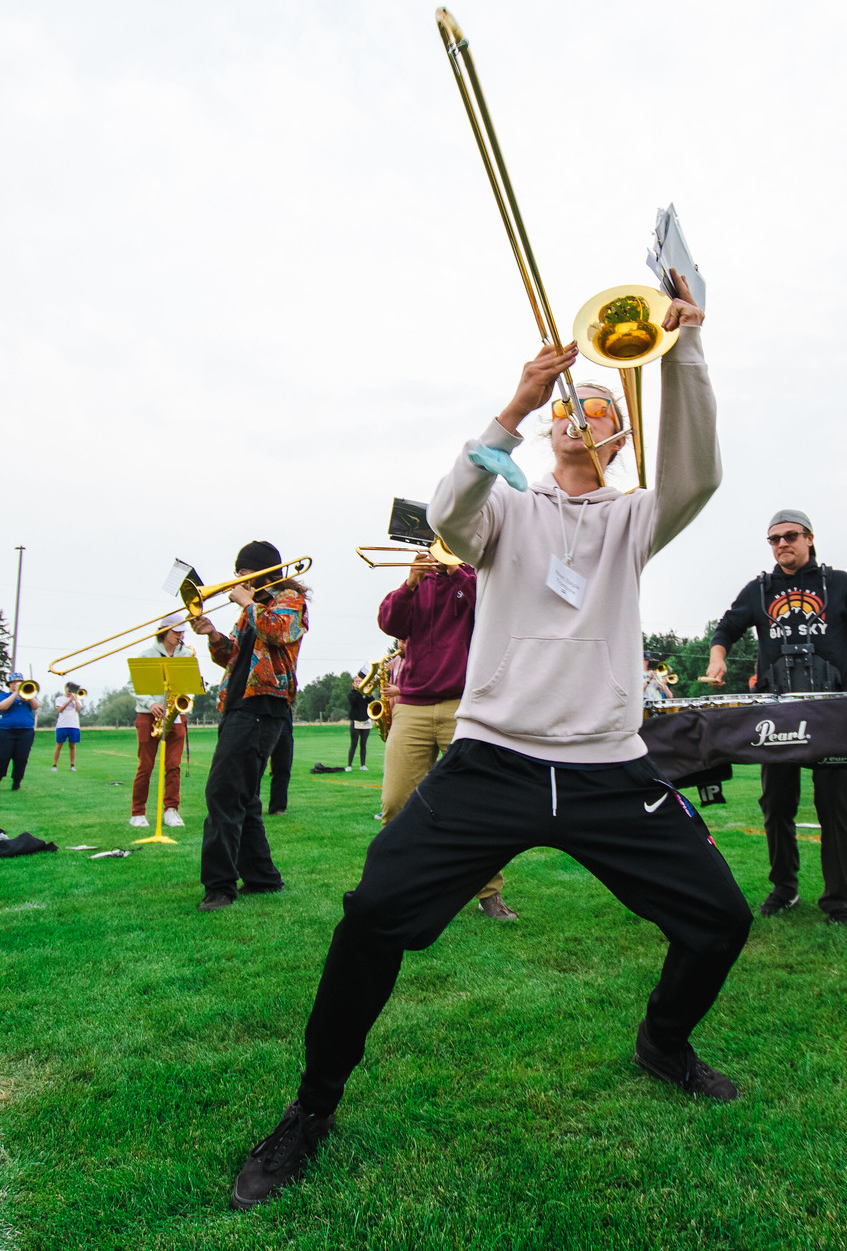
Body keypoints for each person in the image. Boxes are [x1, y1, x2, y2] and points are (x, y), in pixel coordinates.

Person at [229, 272, 741, 1211]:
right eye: (567, 408)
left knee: (719, 922)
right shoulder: (507, 510)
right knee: (370, 914)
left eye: (597, 408)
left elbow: (700, 473)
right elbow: (447, 513)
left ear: (620, 432)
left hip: (607, 765)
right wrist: (513, 402)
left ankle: (663, 1040)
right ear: (551, 428)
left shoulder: (636, 517)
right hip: (495, 757)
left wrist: (688, 347)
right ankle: (312, 1106)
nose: (579, 418)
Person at [702, 510, 847, 926]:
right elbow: (726, 629)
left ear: (809, 538)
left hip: (832, 715)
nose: (781, 544)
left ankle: (837, 902)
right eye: (773, 539)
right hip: (777, 715)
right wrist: (718, 660)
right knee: (776, 802)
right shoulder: (759, 589)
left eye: (790, 536)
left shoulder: (837, 584)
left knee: (837, 805)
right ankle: (784, 888)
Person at [376, 550, 513, 920]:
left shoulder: (473, 576)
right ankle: (397, 888)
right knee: (395, 802)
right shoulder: (416, 584)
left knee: (475, 803)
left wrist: (455, 571)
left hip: (463, 706)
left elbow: (493, 609)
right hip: (412, 706)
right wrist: (410, 582)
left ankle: (489, 893)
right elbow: (390, 622)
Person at [192, 544, 307, 907]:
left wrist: (247, 604)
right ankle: (262, 878)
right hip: (238, 704)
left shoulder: (288, 601)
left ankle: (220, 886)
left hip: (263, 707)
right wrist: (212, 634)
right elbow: (235, 656)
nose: (236, 579)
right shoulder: (253, 609)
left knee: (223, 793)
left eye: (241, 573)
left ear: (260, 573)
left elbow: (280, 632)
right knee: (245, 797)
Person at [128, 615, 192, 829]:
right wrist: (150, 704)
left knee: (174, 766)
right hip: (149, 716)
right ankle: (138, 813)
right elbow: (132, 685)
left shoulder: (187, 653)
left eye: (183, 632)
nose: (180, 636)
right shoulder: (147, 654)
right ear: (164, 631)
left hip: (176, 716)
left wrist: (185, 700)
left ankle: (171, 811)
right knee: (145, 766)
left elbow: (191, 684)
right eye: (176, 632)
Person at [0, 673, 40, 790]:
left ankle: (17, 782)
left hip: (25, 731)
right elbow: (2, 707)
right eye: (14, 682)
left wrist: (27, 694)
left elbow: (36, 706)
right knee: (3, 757)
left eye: (19, 682)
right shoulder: (3, 695)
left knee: (21, 758)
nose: (16, 684)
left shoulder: (28, 696)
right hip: (7, 731)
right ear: (9, 684)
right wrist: (16, 693)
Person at [50, 684, 85, 771]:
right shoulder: (59, 699)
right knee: (59, 745)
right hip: (62, 725)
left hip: (74, 725)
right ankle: (54, 765)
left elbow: (78, 709)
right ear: (66, 688)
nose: (70, 692)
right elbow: (60, 709)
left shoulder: (77, 699)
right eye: (69, 690)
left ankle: (72, 765)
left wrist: (75, 700)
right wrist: (69, 700)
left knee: (72, 746)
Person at [345, 681, 372, 770]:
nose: (359, 683)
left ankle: (363, 765)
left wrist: (369, 693)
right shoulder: (351, 693)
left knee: (363, 744)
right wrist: (360, 690)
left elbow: (372, 700)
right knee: (354, 744)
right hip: (355, 721)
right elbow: (353, 701)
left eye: (360, 681)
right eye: (357, 681)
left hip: (365, 721)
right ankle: (349, 765)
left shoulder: (365, 692)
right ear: (353, 684)